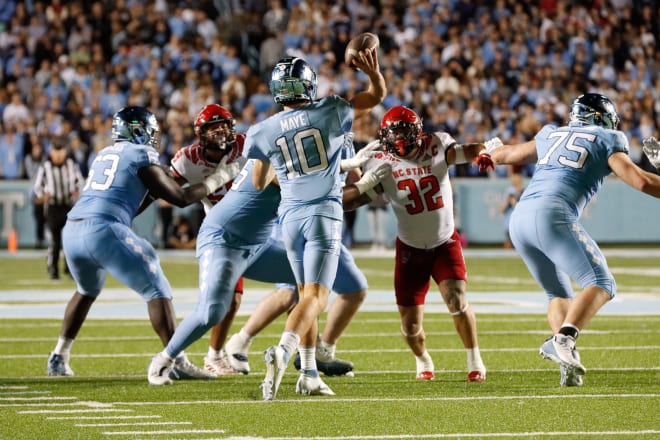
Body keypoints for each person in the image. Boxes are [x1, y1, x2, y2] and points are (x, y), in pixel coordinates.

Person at [146, 152, 383, 389]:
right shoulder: (272, 160)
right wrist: (363, 183)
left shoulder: (290, 156)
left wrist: (365, 183)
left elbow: (325, 191)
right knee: (212, 312)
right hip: (224, 241)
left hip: (259, 244)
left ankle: (309, 371)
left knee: (308, 287)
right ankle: (165, 359)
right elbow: (310, 192)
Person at [46, 106, 241, 379]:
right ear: (138, 131)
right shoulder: (141, 153)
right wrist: (221, 176)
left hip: (73, 230)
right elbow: (180, 198)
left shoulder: (104, 153)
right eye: (150, 131)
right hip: (103, 229)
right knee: (157, 288)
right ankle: (176, 361)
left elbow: (141, 196)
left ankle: (59, 355)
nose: (154, 138)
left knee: (86, 290)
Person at [487, 92, 660, 386]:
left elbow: (503, 155)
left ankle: (566, 363)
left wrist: (487, 150)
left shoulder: (552, 134)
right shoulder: (608, 138)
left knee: (557, 294)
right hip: (552, 215)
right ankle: (564, 340)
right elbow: (640, 181)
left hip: (520, 220)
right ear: (599, 117)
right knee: (602, 283)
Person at [246, 52, 386, 400]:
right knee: (318, 297)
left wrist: (297, 172)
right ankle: (282, 350)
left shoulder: (262, 130)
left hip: (289, 217)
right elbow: (376, 97)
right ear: (308, 85)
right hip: (323, 214)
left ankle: (308, 373)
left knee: (304, 294)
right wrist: (374, 73)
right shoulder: (330, 110)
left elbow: (260, 181)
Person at [343, 105, 489, 382]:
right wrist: (362, 186)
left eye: (404, 133)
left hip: (444, 242)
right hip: (410, 247)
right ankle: (423, 359)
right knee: (410, 326)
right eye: (394, 134)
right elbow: (352, 201)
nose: (399, 140)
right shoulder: (377, 159)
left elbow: (470, 148)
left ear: (418, 133)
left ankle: (474, 360)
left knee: (456, 299)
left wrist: (481, 153)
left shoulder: (437, 144)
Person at [168, 103, 247, 375]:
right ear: (201, 133)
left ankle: (305, 351)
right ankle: (209, 355)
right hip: (223, 233)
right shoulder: (187, 159)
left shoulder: (246, 146)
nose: (221, 131)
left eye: (224, 124)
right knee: (226, 301)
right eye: (214, 126)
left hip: (260, 227)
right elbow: (168, 191)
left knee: (296, 285)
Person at [33, 137, 84, 280]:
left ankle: (70, 270)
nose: (58, 155)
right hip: (53, 207)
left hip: (68, 205)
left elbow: (80, 181)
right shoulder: (45, 166)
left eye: (60, 151)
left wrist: (77, 191)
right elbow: (37, 187)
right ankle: (53, 270)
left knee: (70, 240)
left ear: (65, 152)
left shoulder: (71, 164)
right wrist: (44, 196)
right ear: (51, 152)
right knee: (55, 241)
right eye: (56, 151)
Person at [500, 167, 524, 249]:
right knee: (510, 245)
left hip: (520, 224)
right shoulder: (509, 191)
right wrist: (508, 201)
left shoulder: (523, 191)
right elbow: (502, 210)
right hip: (509, 223)